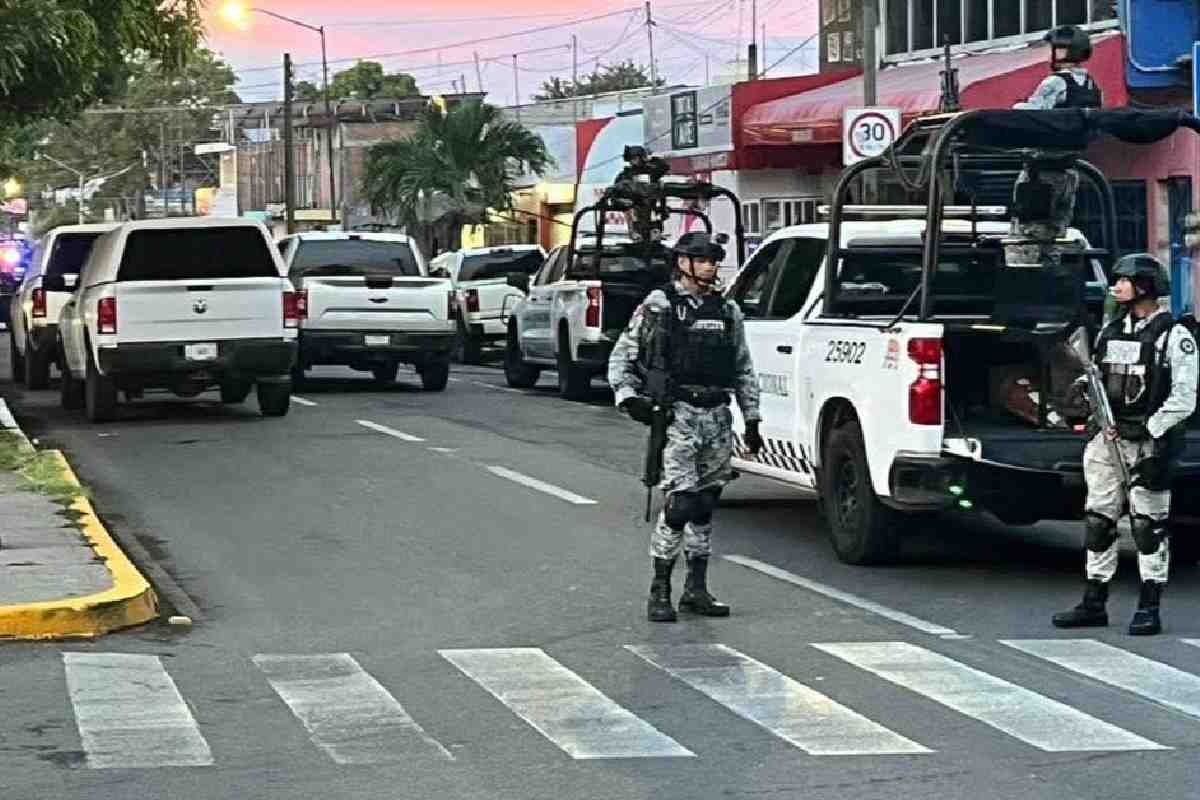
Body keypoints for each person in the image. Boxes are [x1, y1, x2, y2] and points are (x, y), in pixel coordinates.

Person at [608, 231, 763, 623]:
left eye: (714, 260)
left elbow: (743, 367)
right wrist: (629, 398)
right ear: (683, 262)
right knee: (680, 505)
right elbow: (623, 356)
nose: (710, 266)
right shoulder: (660, 305)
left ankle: (696, 588)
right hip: (678, 414)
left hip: (717, 415)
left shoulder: (726, 309)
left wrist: (752, 418)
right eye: (703, 259)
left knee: (706, 504)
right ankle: (660, 589)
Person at [1053, 254, 1198, 635]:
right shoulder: (1110, 331)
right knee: (1098, 521)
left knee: (1148, 526)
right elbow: (1097, 376)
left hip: (1150, 444)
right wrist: (1081, 396)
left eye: (1123, 280)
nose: (1115, 286)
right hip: (1107, 438)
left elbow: (1184, 398)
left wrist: (1149, 429)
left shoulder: (1174, 336)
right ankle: (1093, 602)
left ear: (1144, 286)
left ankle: (1149, 606)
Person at [1014, 24, 1102, 111]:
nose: (1047, 55)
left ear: (1061, 52)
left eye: (1049, 49)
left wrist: (1018, 106)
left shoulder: (1054, 81)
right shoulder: (1091, 83)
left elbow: (1034, 111)